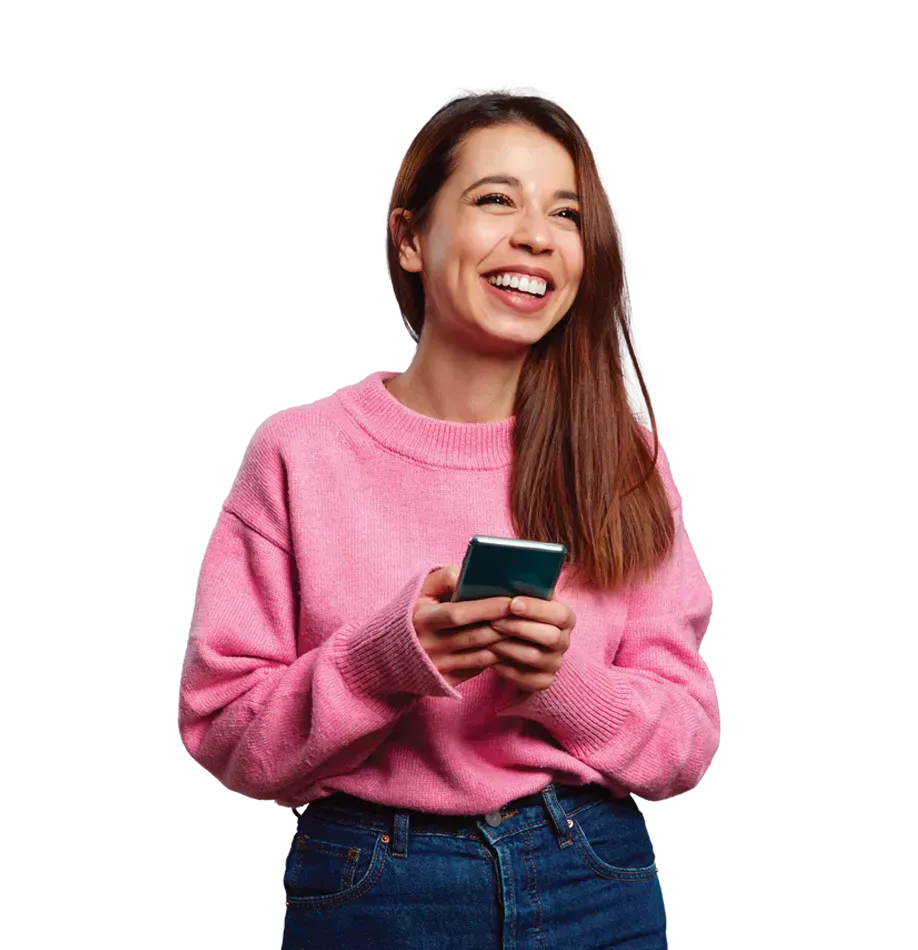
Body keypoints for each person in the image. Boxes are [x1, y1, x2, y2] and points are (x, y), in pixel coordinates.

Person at [177, 82, 720, 949]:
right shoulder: (298, 453)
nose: (537, 236)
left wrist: (564, 683)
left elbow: (688, 743)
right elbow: (221, 734)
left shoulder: (626, 459)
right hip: (369, 884)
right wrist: (383, 664)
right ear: (409, 237)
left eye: (566, 213)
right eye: (495, 199)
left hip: (595, 876)